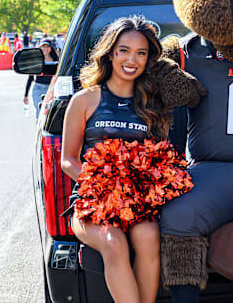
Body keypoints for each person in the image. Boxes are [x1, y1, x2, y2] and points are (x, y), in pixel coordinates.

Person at [61, 16, 169, 303]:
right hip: (93, 199)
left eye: (141, 53)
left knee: (148, 239)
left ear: (148, 59)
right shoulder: (85, 100)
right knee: (114, 241)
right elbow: (68, 159)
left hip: (137, 202)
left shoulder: (153, 105)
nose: (131, 59)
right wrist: (103, 186)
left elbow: (160, 161)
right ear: (110, 53)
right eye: (124, 50)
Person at [23, 40, 58, 119]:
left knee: (50, 114)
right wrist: (25, 95)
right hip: (38, 88)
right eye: (43, 46)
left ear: (51, 48)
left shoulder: (56, 60)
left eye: (47, 46)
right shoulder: (36, 61)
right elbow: (30, 78)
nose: (45, 48)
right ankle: (39, 130)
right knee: (39, 113)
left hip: (51, 89)